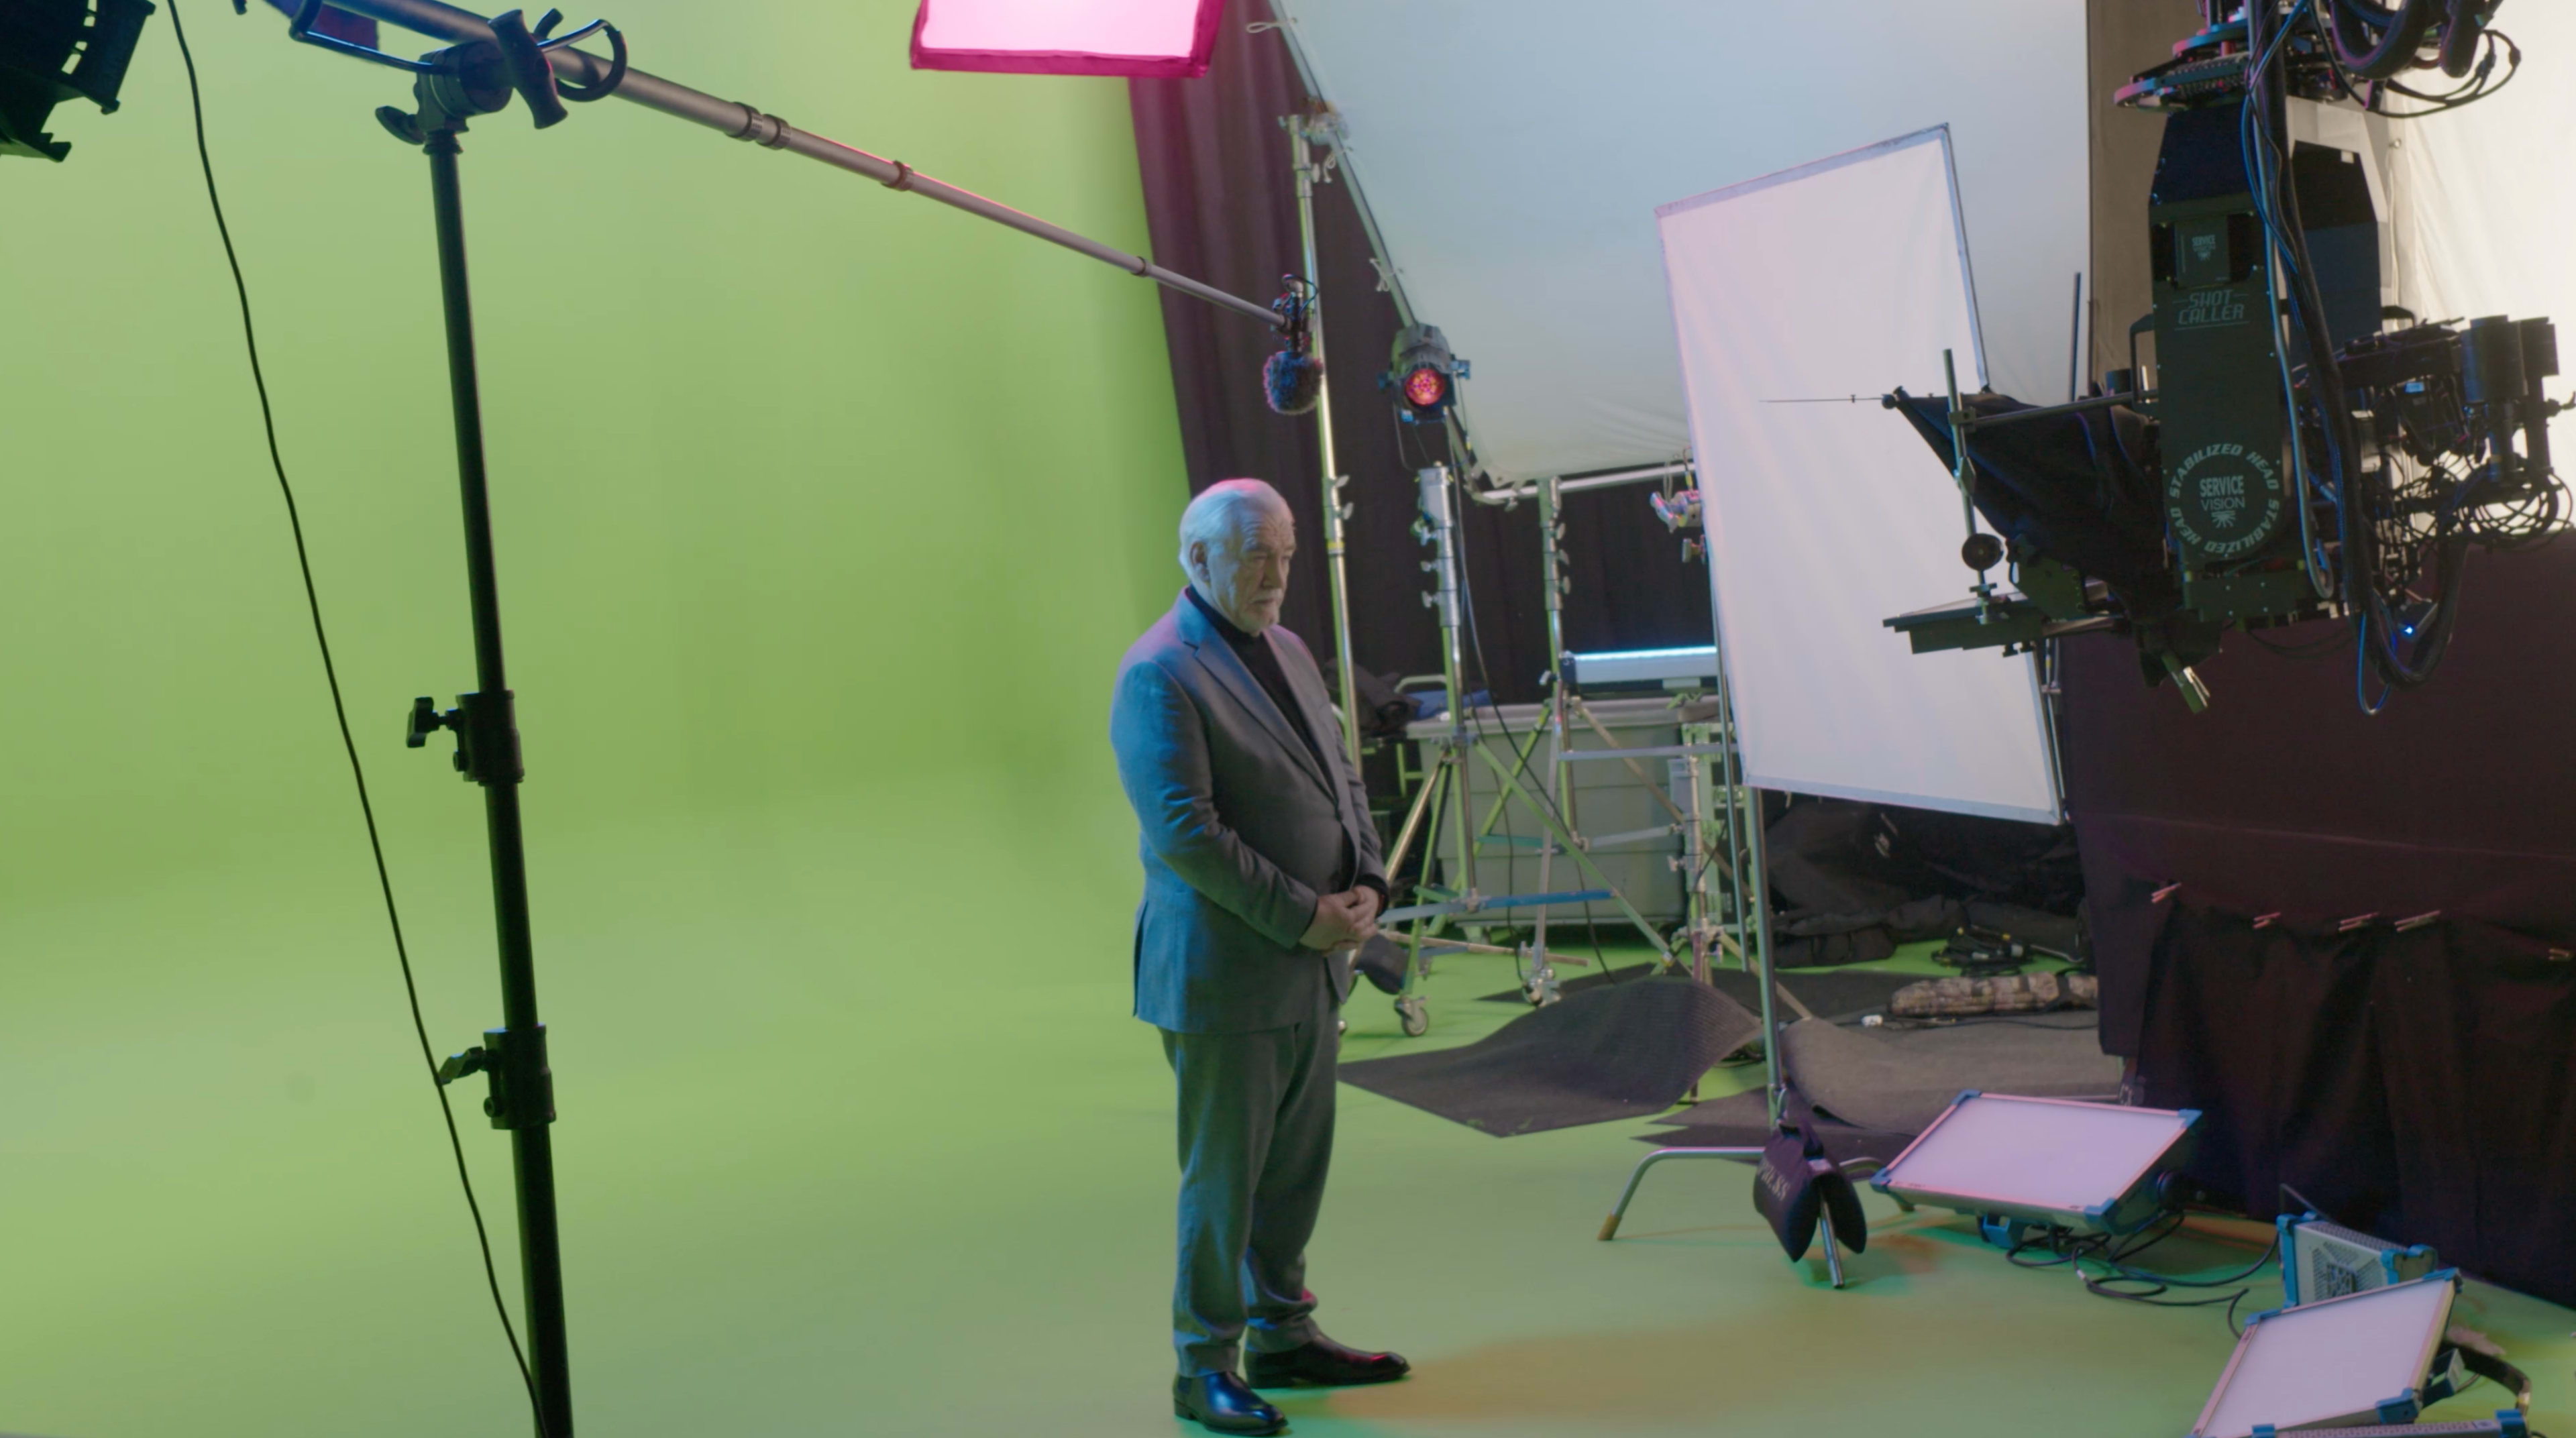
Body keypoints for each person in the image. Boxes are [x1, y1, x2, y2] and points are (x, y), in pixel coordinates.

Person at [1110, 478, 1412, 1435]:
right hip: (1226, 976)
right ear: (1197, 559)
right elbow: (1185, 835)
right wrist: (1305, 915)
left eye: (1286, 553)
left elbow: (1341, 773)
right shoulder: (1159, 672)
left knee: (1294, 1170)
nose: (1278, 573)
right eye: (1257, 556)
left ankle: (1284, 1334)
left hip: (1314, 962)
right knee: (1223, 1180)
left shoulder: (1283, 646)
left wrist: (1370, 880)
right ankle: (1203, 1369)